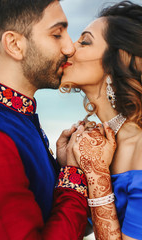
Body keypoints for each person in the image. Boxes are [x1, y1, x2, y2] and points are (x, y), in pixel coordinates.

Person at [0, 0, 90, 239]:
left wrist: (60, 169)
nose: (70, 47)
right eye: (57, 34)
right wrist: (74, 176)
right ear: (14, 44)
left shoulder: (15, 114)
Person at [60, 1, 142, 239]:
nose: (68, 48)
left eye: (84, 41)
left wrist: (96, 176)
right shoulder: (95, 141)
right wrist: (69, 169)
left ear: (116, 61)